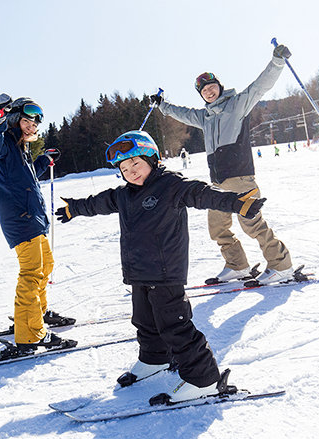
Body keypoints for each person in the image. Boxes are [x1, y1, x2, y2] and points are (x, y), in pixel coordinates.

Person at [54, 130, 265, 404]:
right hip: (139, 271)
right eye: (124, 168)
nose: (131, 172)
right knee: (144, 320)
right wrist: (75, 208)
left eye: (136, 164)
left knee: (174, 326)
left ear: (152, 159)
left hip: (165, 272)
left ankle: (205, 380)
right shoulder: (125, 194)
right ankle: (154, 358)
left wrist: (236, 202)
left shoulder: (170, 186)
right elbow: (100, 202)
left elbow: (202, 194)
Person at [149, 43, 294, 285]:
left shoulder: (237, 104)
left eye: (212, 86)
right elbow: (182, 113)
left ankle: (282, 266)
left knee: (252, 224)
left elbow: (260, 86)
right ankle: (238, 266)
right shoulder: (204, 117)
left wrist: (277, 62)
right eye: (204, 90)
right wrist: (162, 105)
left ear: (220, 87)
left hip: (240, 177)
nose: (209, 92)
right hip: (217, 182)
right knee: (217, 227)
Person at [0, 94, 75, 357]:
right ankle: (32, 333)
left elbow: (29, 178)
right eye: (27, 120)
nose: (33, 126)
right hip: (20, 218)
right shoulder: (3, 143)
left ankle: (38, 313)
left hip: (33, 218)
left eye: (36, 123)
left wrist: (44, 160)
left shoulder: (19, 148)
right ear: (14, 118)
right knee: (32, 272)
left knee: (45, 266)